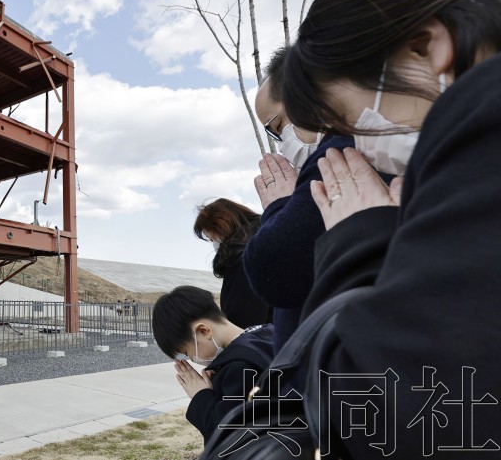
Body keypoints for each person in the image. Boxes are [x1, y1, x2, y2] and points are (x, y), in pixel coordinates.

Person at [280, 0, 501, 458]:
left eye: (348, 119)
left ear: (425, 47)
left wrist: (358, 239)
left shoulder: (484, 116)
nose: (359, 143)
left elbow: (392, 414)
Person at [242, 48, 388, 352]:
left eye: (278, 127)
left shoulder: (341, 154)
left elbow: (275, 270)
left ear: (304, 93)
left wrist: (279, 205)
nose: (282, 144)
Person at [152, 285, 274, 443]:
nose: (192, 359)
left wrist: (201, 396)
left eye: (187, 352)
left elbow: (228, 437)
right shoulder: (266, 335)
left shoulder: (239, 367)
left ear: (204, 331)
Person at [193, 198, 269, 328]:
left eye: (212, 239)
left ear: (220, 226)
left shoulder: (239, 258)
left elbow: (243, 318)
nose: (214, 244)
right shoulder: (267, 238)